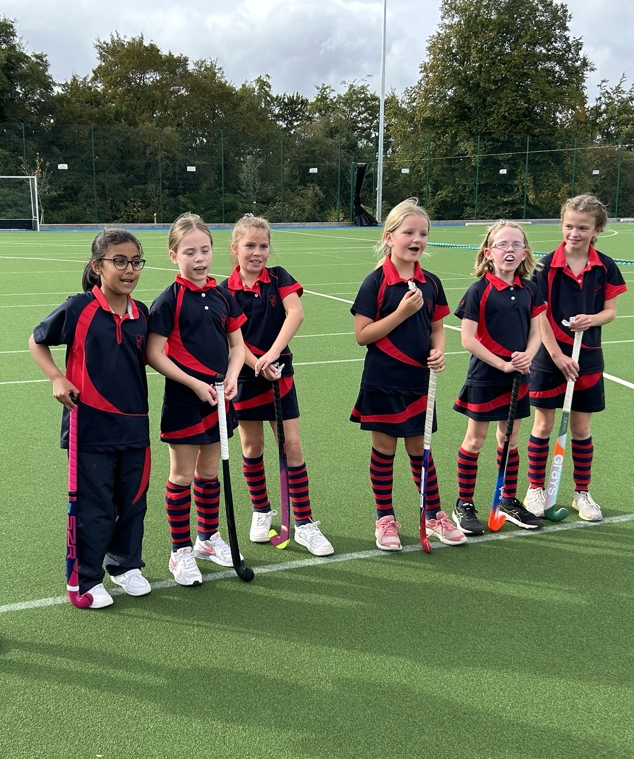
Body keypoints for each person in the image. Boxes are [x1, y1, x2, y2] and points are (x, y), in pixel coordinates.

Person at [29, 229, 152, 609]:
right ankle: (86, 576)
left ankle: (125, 565)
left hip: (135, 425)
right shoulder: (78, 308)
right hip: (90, 428)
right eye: (119, 261)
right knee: (95, 506)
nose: (129, 269)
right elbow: (38, 340)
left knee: (132, 502)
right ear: (98, 266)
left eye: (135, 262)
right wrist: (56, 377)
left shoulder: (142, 313)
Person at [350, 197, 467, 550]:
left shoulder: (431, 283)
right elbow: (362, 335)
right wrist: (400, 313)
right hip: (383, 380)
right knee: (385, 449)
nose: (416, 240)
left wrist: (439, 351)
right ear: (389, 236)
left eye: (423, 233)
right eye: (408, 232)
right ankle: (384, 518)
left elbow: (437, 328)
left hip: (419, 381)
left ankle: (434, 515)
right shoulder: (375, 283)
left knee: (421, 451)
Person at [220, 214, 334, 556]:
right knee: (252, 447)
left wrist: (272, 355)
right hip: (245, 375)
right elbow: (233, 339)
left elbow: (295, 313)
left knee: (292, 446)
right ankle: (261, 511)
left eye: (264, 246)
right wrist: (258, 364)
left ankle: (304, 522)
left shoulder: (280, 278)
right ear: (235, 248)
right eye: (250, 245)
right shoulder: (225, 291)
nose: (257, 253)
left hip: (279, 372)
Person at [147, 213, 247, 586]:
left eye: (205, 250)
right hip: (186, 399)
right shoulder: (167, 301)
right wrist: (193, 383)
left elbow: (237, 345)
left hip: (221, 396)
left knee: (209, 472)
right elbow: (155, 354)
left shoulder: (223, 295)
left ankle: (208, 539)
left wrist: (233, 376)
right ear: (174, 256)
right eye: (190, 252)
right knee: (182, 475)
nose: (200, 258)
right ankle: (180, 551)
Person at [522, 194, 628, 521]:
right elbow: (538, 315)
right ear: (561, 225)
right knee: (544, 423)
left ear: (597, 230)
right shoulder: (544, 265)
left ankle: (582, 493)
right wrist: (555, 354)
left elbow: (610, 311)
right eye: (569, 226)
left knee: (581, 427)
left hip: (588, 357)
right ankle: (535, 489)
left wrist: (592, 319)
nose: (574, 233)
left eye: (583, 227)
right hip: (548, 357)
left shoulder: (605, 266)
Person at [451, 221, 545, 535]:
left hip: (518, 376)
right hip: (486, 377)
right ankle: (463, 503)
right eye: (502, 244)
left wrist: (528, 356)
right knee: (475, 440)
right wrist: (503, 364)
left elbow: (538, 332)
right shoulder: (479, 290)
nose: (509, 250)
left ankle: (507, 500)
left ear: (525, 253)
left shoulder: (531, 289)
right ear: (489, 252)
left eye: (516, 245)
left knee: (509, 440)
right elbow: (468, 339)